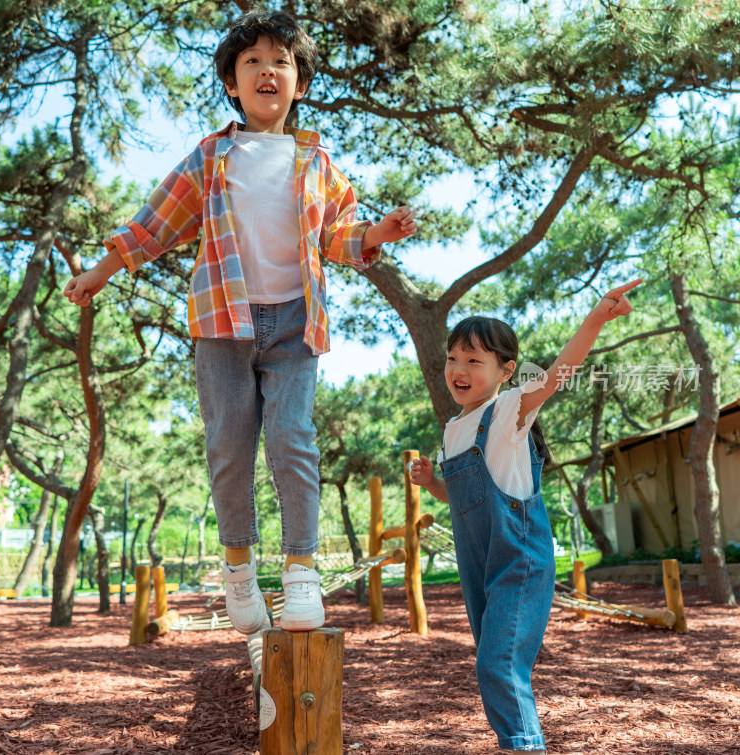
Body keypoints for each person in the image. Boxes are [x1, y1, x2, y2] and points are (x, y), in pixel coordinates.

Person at [64, 9, 417, 635]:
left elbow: (338, 237)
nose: (266, 71)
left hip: (294, 326)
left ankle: (302, 573)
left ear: (299, 84)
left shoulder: (319, 165)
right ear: (232, 83)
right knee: (229, 447)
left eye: (280, 61)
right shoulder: (209, 157)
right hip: (221, 324)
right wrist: (98, 273)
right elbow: (152, 227)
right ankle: (238, 569)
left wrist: (375, 234)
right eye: (251, 61)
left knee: (291, 440)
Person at [410, 280, 642, 754]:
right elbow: (458, 498)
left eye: (474, 361)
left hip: (518, 563)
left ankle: (524, 747)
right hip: (479, 568)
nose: (459, 369)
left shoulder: (510, 409)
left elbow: (559, 372)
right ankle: (518, 742)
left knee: (497, 665)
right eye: (453, 358)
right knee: (495, 664)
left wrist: (596, 317)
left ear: (505, 370)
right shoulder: (454, 429)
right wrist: (431, 481)